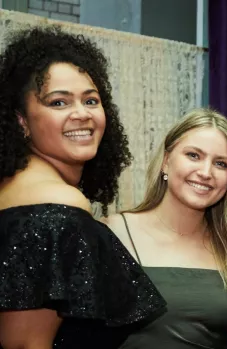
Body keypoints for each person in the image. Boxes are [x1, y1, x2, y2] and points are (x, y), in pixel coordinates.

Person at [0, 27, 166, 348]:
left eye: (91, 100)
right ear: (21, 121)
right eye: (59, 102)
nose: (81, 114)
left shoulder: (17, 192)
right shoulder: (56, 204)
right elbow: (25, 344)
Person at [104, 108, 227, 349]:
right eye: (194, 155)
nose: (206, 172)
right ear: (166, 161)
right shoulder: (112, 233)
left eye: (220, 163)